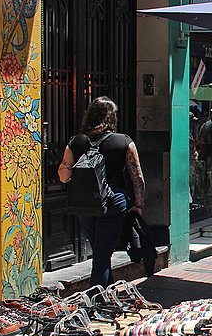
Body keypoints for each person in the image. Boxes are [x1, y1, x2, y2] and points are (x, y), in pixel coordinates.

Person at [58, 96, 146, 288]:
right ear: (112, 117)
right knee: (102, 252)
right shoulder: (124, 142)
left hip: (84, 205)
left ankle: (107, 291)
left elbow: (63, 175)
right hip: (113, 202)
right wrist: (139, 205)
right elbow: (137, 177)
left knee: (100, 248)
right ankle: (96, 297)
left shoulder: (76, 142)